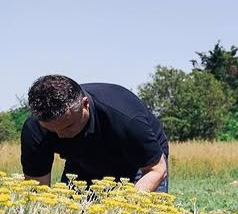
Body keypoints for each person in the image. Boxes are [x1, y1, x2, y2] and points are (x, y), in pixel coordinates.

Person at [20, 75, 170, 192]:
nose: (61, 136)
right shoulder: (35, 129)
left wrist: (123, 206)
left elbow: (155, 170)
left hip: (137, 163)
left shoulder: (125, 117)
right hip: (82, 163)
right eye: (51, 130)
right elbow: (37, 190)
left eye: (68, 126)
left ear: (85, 105)